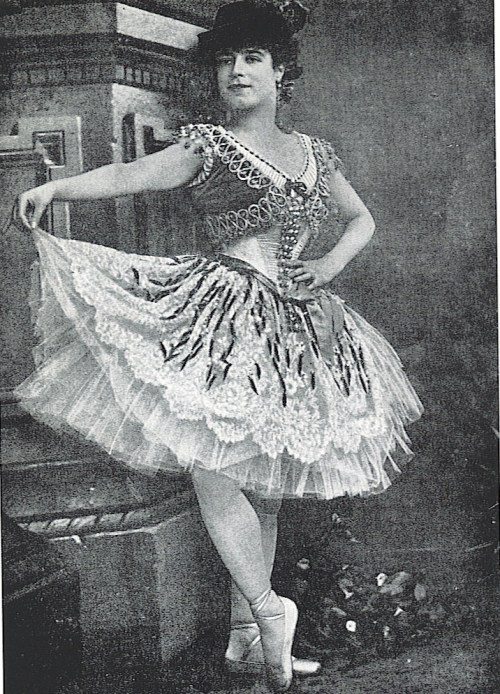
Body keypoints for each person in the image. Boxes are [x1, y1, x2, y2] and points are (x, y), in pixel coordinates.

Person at [13, 1, 423, 691]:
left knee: (266, 484)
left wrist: (326, 267)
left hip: (300, 327)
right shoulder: (209, 145)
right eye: (227, 60)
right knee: (213, 463)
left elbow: (361, 220)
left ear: (280, 71)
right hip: (227, 316)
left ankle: (245, 636)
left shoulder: (314, 154)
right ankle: (268, 609)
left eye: (252, 58)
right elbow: (128, 176)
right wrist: (57, 186)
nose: (236, 70)